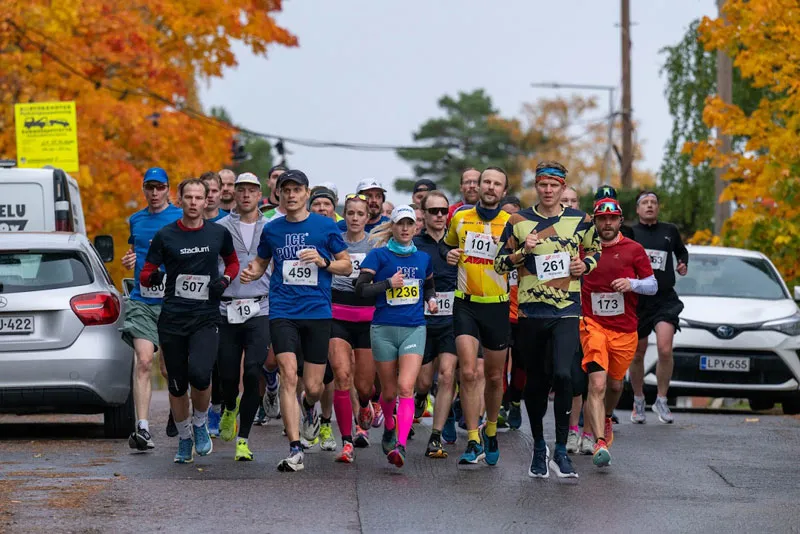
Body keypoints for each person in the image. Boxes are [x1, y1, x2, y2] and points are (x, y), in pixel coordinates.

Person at [240, 169, 352, 472]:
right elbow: (262, 262)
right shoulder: (273, 229)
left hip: (317, 312)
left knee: (313, 387)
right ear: (279, 194)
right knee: (289, 375)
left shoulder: (325, 226)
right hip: (283, 311)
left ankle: (308, 407)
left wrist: (323, 261)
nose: (290, 195)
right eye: (285, 190)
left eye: (296, 190)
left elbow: (347, 266)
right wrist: (253, 271)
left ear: (306, 193)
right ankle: (294, 448)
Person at [495, 160, 601, 479]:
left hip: (567, 310)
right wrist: (522, 253)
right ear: (536, 186)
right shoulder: (518, 220)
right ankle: (539, 447)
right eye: (543, 184)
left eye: (555, 185)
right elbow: (500, 264)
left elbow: (595, 250)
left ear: (563, 187)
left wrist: (588, 265)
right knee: (537, 382)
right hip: (531, 312)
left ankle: (560, 450)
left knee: (565, 374)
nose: (549, 190)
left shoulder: (581, 220)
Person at [139, 179, 240, 464]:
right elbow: (146, 272)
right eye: (189, 197)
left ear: (207, 199)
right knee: (176, 384)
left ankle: (199, 423)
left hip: (205, 317)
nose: (194, 202)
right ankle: (184, 438)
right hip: (172, 318)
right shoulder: (165, 235)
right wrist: (154, 277)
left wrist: (225, 280)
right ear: (179, 200)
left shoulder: (218, 233)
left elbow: (232, 263)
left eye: (199, 197)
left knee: (200, 374)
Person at [355, 205, 437, 468]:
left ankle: (400, 445)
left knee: (405, 388)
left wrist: (432, 300)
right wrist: (387, 284)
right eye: (399, 224)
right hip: (383, 330)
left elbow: (430, 285)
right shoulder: (378, 256)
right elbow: (360, 289)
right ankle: (389, 426)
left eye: (409, 224)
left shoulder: (423, 259)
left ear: (416, 227)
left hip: (414, 328)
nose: (404, 228)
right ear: (393, 227)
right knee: (388, 393)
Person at [580, 196, 656, 467]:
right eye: (602, 218)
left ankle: (607, 416)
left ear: (621, 220)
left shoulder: (634, 249)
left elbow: (652, 285)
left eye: (612, 218)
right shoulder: (584, 247)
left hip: (624, 330)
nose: (607, 223)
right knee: (597, 383)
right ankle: (599, 441)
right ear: (595, 220)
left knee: (614, 385)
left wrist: (631, 283)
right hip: (593, 325)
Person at [444, 167, 511, 466]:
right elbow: (448, 246)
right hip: (466, 303)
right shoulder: (459, 217)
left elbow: (522, 260)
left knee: (495, 378)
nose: (491, 187)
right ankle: (473, 439)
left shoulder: (512, 223)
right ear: (478, 186)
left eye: (497, 184)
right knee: (468, 372)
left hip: (497, 305)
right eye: (487, 182)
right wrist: (450, 256)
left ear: (504, 192)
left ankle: (491, 429)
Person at [121, 167, 183, 451]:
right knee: (144, 361)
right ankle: (143, 428)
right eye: (150, 188)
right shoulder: (136, 220)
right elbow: (136, 251)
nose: (155, 193)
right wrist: (129, 259)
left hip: (172, 301)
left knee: (171, 369)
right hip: (142, 299)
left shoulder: (180, 218)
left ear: (168, 189)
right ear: (144, 189)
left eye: (160, 188)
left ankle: (177, 407)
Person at [213, 172, 270, 462]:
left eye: (251, 190)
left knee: (253, 371)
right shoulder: (220, 228)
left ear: (259, 194)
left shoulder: (271, 228)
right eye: (241, 190)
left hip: (261, 307)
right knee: (226, 374)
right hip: (227, 307)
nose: (246, 195)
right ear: (233, 194)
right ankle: (228, 407)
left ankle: (244, 439)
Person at [629, 191, 689, 424]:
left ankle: (662, 400)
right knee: (637, 353)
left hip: (664, 298)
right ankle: (638, 399)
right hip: (639, 300)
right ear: (638, 209)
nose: (650, 206)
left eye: (654, 202)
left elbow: (681, 251)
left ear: (658, 207)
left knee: (665, 349)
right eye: (645, 202)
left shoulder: (669, 231)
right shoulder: (631, 232)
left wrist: (683, 263)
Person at [329, 193, 378, 461]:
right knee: (342, 376)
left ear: (367, 217)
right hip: (338, 314)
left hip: (368, 318)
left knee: (364, 385)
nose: (355, 218)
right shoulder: (334, 242)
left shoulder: (375, 245)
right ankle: (346, 441)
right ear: (344, 215)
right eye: (350, 213)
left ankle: (367, 404)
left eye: (360, 214)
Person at [414, 191, 458, 457]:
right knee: (422, 381)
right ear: (424, 214)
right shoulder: (415, 244)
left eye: (444, 211)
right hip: (421, 320)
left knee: (447, 374)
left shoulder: (458, 243)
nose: (440, 215)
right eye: (434, 211)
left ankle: (436, 436)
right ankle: (421, 397)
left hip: (452, 319)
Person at [498, 195, 524, 431]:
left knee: (522, 365)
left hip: (525, 314)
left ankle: (515, 401)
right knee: (499, 364)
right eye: (504, 214)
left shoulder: (529, 241)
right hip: (500, 313)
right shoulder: (496, 242)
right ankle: (501, 404)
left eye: (512, 215)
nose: (509, 219)